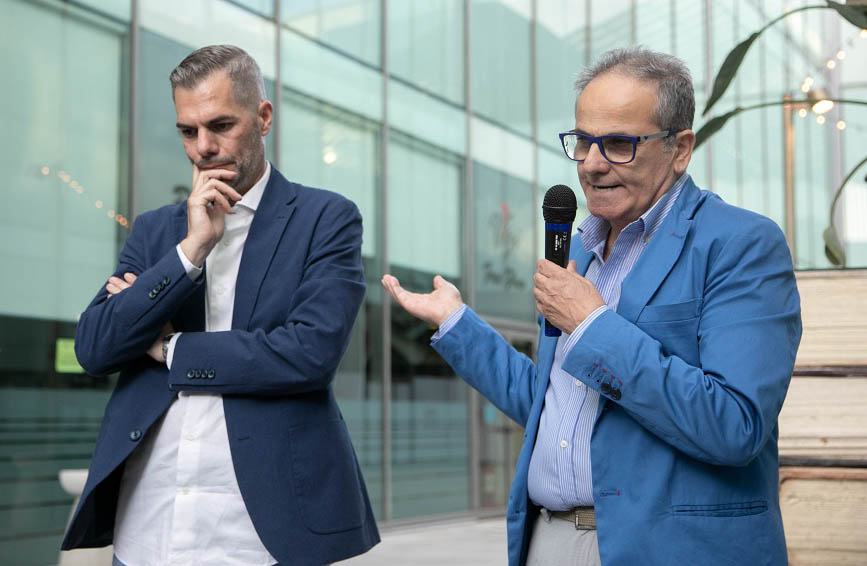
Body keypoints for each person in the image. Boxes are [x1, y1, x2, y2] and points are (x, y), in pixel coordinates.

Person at [382, 46, 800, 566]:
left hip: (672, 549)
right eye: (582, 142)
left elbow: (734, 425)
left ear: (681, 148)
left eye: (619, 144)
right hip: (549, 540)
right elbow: (550, 403)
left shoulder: (740, 243)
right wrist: (458, 324)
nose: (593, 165)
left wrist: (591, 323)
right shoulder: (579, 251)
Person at [63, 45, 379, 566]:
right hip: (150, 525)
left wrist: (167, 347)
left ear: (263, 117)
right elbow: (96, 347)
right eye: (189, 131)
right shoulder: (157, 231)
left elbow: (308, 353)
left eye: (221, 125)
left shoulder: (325, 218)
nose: (204, 147)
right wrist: (190, 253)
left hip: (259, 533)